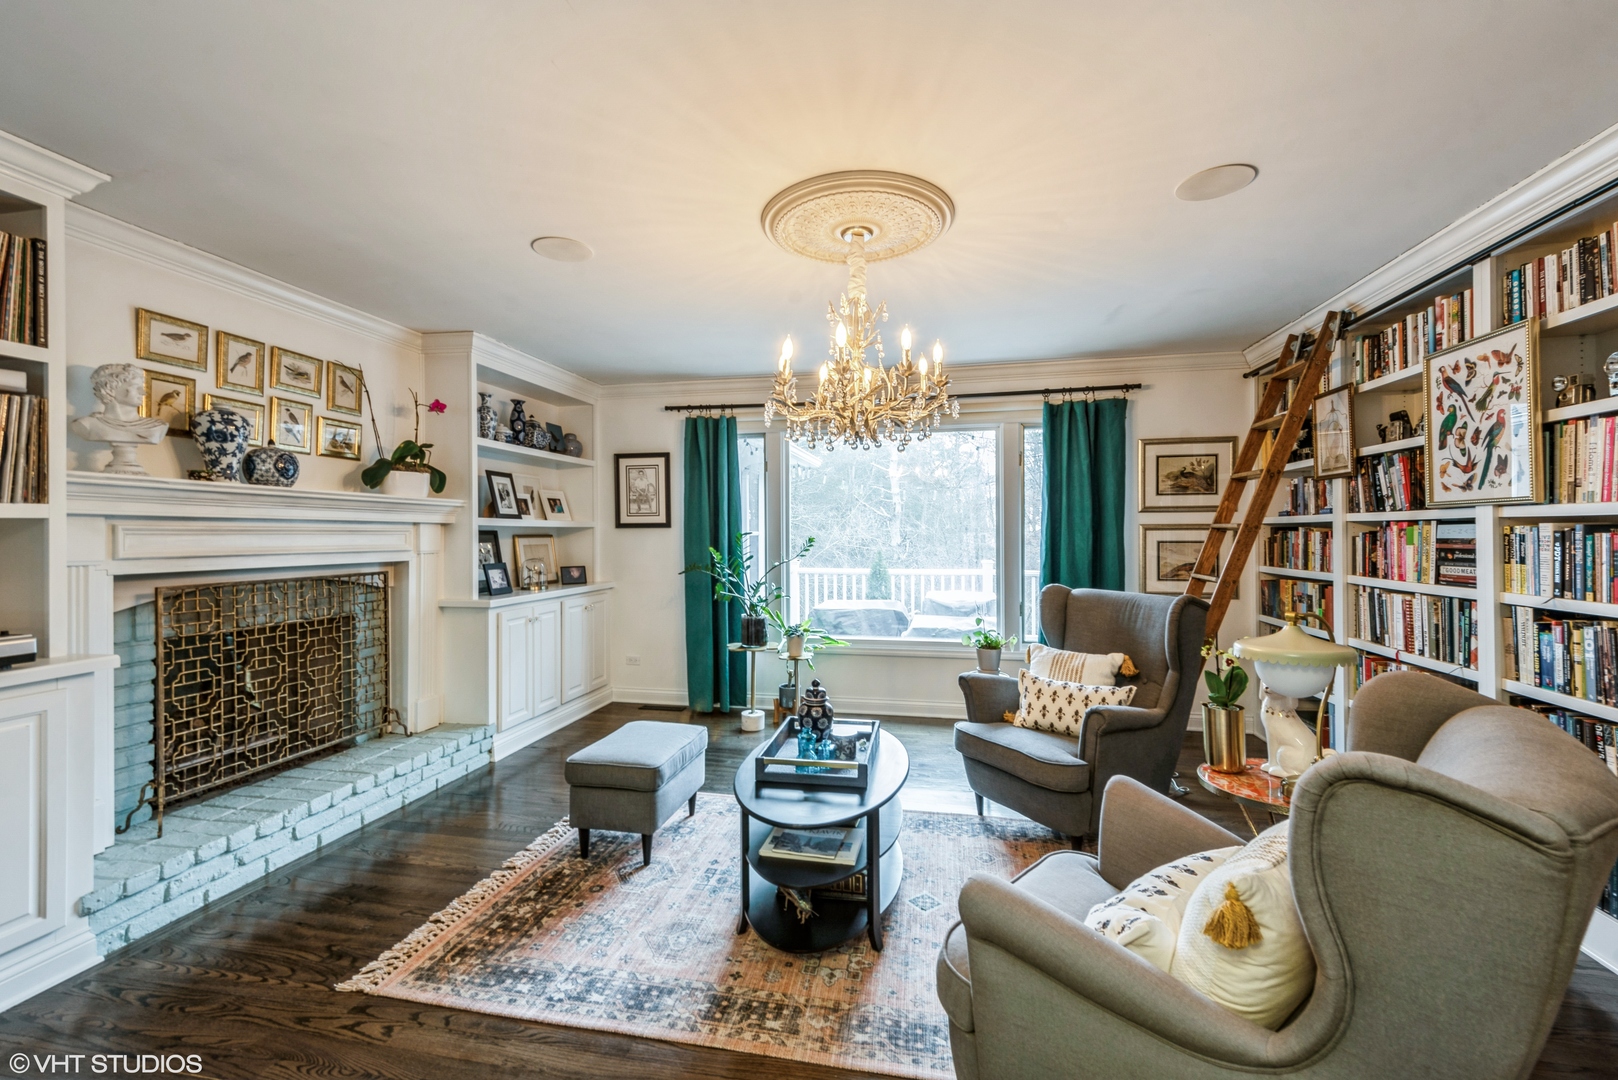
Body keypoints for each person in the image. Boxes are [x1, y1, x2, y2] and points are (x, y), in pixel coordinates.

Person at [72, 363, 166, 474]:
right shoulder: (87, 424)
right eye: (136, 388)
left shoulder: (156, 427)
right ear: (110, 389)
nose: (143, 393)